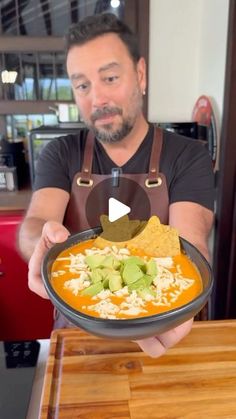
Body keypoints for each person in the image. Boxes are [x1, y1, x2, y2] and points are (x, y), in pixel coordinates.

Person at [18, 13, 214, 358]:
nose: (98, 98)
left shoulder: (188, 156)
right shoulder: (61, 153)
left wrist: (181, 304)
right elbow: (35, 224)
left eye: (109, 77)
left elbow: (191, 243)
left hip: (162, 324)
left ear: (140, 75)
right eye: (82, 85)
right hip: (77, 334)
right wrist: (42, 243)